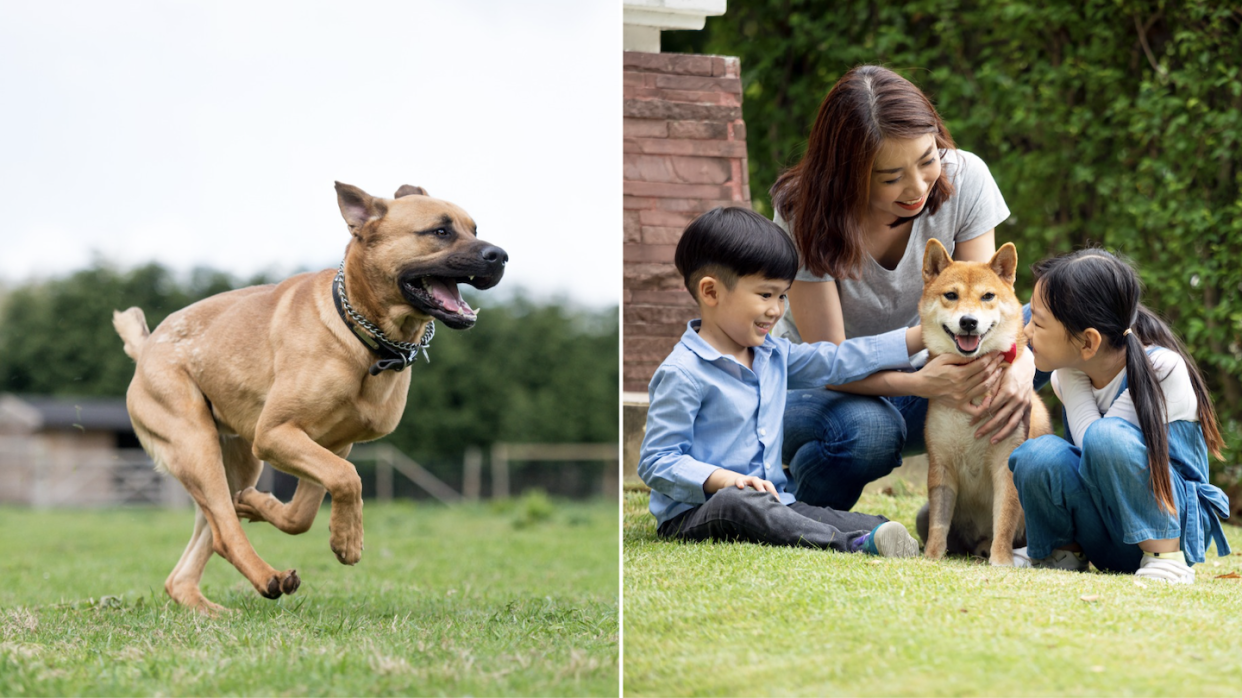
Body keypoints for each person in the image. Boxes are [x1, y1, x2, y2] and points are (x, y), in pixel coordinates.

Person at [768, 64, 1043, 510]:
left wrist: (1022, 362)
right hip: (826, 390)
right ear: (845, 173)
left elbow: (987, 299)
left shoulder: (966, 177)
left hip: (936, 374)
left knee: (1058, 318)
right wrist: (921, 385)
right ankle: (800, 503)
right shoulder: (804, 212)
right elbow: (829, 363)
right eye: (890, 177)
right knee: (871, 431)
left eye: (927, 159)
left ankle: (995, 499)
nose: (917, 187)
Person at [637, 206, 935, 557]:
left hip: (777, 501)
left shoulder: (773, 355)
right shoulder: (683, 372)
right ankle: (850, 545)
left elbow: (838, 360)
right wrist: (724, 479)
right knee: (739, 503)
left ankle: (877, 534)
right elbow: (657, 460)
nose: (777, 310)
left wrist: (924, 335)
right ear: (711, 292)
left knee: (858, 520)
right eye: (765, 295)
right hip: (699, 511)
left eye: (782, 295)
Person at [1008, 249, 1230, 583]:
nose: (1026, 332)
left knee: (1105, 437)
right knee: (1035, 454)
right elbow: (1089, 462)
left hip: (1169, 524)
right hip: (1108, 532)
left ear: (1088, 342)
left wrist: (1073, 377)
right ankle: (1064, 553)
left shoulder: (1162, 368)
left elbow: (1097, 443)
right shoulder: (1068, 371)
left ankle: (1165, 560)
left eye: (1037, 322)